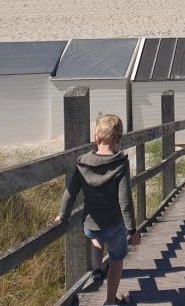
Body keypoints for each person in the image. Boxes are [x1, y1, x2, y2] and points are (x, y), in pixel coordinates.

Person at [55, 114, 141, 305]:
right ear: (118, 139)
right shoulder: (120, 163)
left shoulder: (83, 162)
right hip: (114, 224)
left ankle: (96, 269)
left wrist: (63, 215)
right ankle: (110, 300)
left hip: (90, 223)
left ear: (96, 138)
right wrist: (132, 230)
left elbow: (70, 192)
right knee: (117, 259)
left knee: (95, 237)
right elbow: (125, 200)